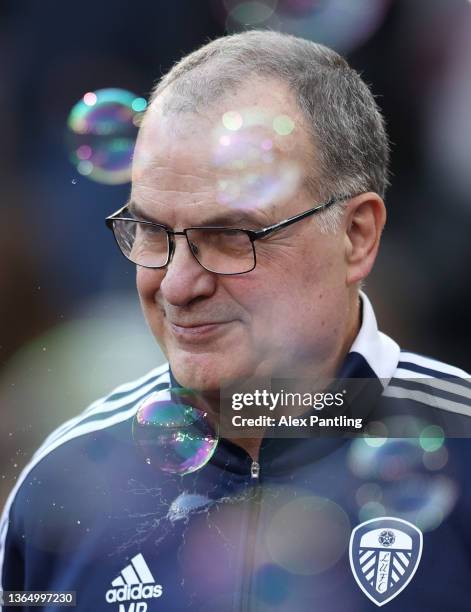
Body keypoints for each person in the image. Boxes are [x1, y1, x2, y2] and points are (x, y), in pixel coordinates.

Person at [1, 30, 469, 612]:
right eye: (150, 230)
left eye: (228, 236)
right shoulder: (59, 484)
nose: (175, 285)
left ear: (357, 236)